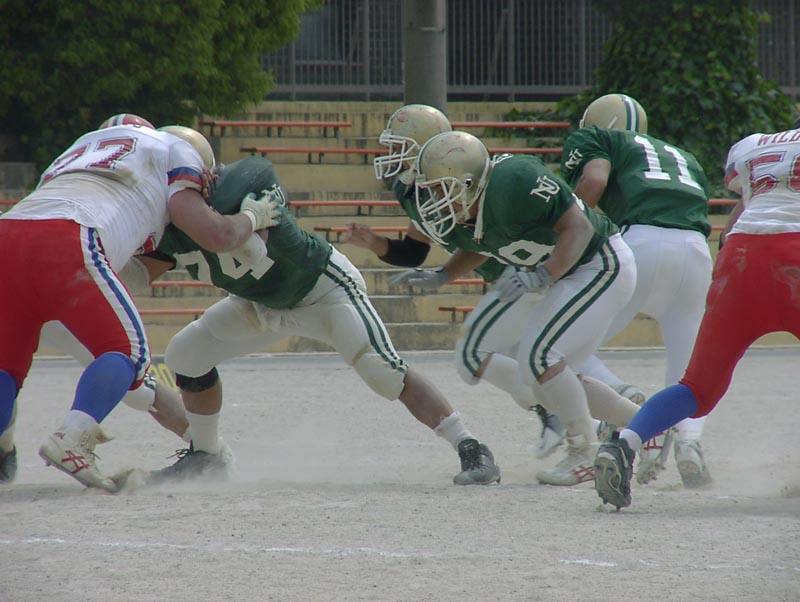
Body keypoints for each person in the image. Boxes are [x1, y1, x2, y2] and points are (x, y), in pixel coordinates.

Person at [142, 155, 500, 486]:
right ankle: (207, 456)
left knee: (383, 371)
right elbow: (142, 274)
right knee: (186, 354)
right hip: (260, 301)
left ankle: (470, 446)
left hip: (322, 290)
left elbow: (241, 236)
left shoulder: (244, 188)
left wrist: (244, 218)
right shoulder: (168, 225)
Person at [0, 115, 278, 490]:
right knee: (128, 353)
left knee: (6, 365)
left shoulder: (82, 147)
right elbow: (214, 234)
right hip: (68, 237)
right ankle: (74, 438)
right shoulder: (173, 149)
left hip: (10, 233)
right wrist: (252, 217)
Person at [393, 128, 651, 487]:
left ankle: (585, 450)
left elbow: (578, 227)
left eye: (440, 188)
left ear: (469, 182)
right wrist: (444, 274)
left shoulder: (515, 179)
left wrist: (543, 274)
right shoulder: (470, 206)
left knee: (539, 357)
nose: (434, 198)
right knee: (544, 379)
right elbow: (481, 244)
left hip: (599, 262)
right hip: (568, 276)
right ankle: (648, 426)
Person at [593, 118, 800, 510]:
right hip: (794, 254)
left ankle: (624, 444)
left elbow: (744, 207)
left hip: (741, 256)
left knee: (698, 388)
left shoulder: (754, 144)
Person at [348, 103, 565, 459]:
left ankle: (585, 415)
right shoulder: (414, 190)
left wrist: (448, 273)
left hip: (523, 273)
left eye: (400, 147)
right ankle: (577, 415)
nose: (391, 156)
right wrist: (374, 243)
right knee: (519, 359)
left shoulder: (465, 177)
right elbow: (415, 250)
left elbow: (488, 235)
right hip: (502, 279)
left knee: (492, 356)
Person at [561, 93, 714, 487]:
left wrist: (563, 233)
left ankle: (624, 405)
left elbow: (594, 181)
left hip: (639, 244)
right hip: (696, 251)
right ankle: (689, 444)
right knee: (690, 372)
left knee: (560, 350)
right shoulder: (683, 156)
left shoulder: (600, 139)